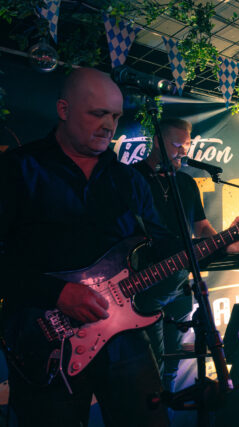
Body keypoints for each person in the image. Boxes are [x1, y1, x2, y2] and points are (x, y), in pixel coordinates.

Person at [0, 68, 173, 426]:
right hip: (45, 338)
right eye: (98, 114)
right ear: (63, 109)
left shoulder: (129, 180)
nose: (109, 125)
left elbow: (160, 248)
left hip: (125, 338)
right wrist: (56, 293)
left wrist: (220, 245)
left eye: (115, 116)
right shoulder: (17, 169)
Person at [132, 117, 239, 392]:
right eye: (176, 145)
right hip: (143, 283)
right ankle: (155, 405)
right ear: (157, 142)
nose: (183, 151)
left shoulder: (187, 183)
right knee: (151, 363)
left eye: (187, 145)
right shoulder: (133, 177)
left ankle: (167, 403)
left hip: (180, 283)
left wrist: (224, 239)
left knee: (173, 362)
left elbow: (202, 228)